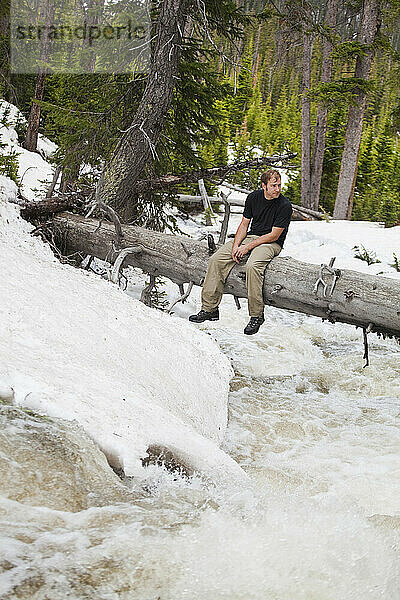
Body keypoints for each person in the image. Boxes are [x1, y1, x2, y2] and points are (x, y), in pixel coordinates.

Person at [189, 169, 292, 335]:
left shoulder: (284, 205)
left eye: (279, 185)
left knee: (252, 266)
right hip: (250, 237)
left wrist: (247, 248)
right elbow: (244, 225)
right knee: (216, 259)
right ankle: (210, 309)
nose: (278, 189)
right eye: (274, 185)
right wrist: (237, 245)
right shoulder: (253, 197)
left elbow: (274, 234)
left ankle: (256, 315)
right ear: (264, 185)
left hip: (271, 243)